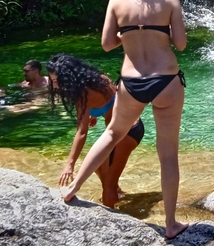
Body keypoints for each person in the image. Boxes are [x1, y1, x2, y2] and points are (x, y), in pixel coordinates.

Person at [59, 0, 189, 239]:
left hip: (131, 81)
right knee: (168, 155)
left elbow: (106, 44)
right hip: (165, 80)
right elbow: (180, 44)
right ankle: (170, 224)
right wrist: (161, 30)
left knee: (111, 135)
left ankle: (73, 188)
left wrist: (130, 33)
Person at [47, 54, 143, 208]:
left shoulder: (82, 94)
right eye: (52, 81)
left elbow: (82, 132)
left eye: (57, 81)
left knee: (108, 185)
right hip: (131, 126)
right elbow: (115, 98)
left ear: (69, 77)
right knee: (98, 167)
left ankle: (114, 220)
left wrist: (70, 165)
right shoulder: (98, 79)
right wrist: (94, 112)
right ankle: (117, 194)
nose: (55, 86)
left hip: (127, 133)